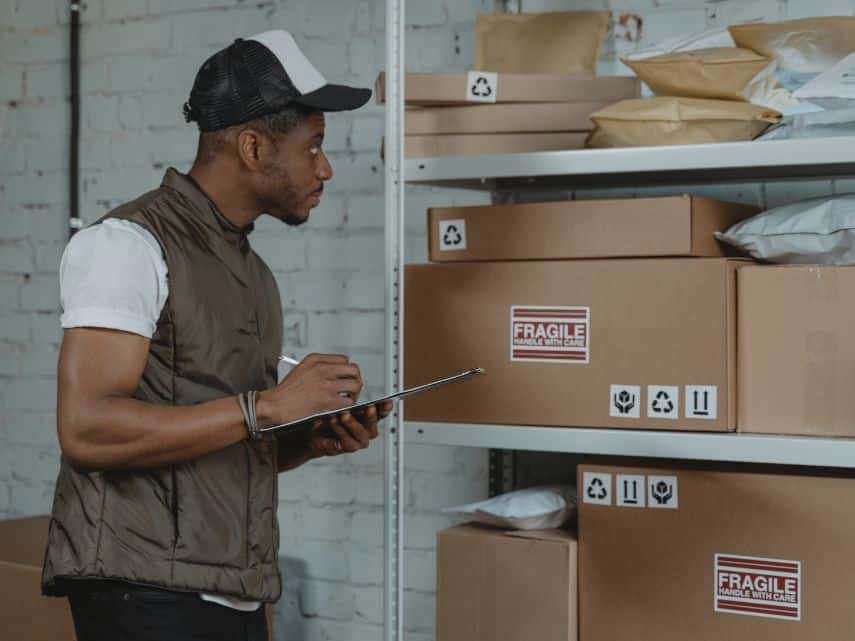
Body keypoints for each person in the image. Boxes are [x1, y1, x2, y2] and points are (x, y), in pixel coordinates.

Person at [41, 29, 392, 641]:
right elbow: (86, 428)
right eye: (313, 147)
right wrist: (271, 406)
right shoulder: (127, 245)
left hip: (231, 592)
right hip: (141, 591)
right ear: (254, 147)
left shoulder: (252, 272)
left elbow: (219, 444)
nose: (326, 168)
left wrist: (308, 438)